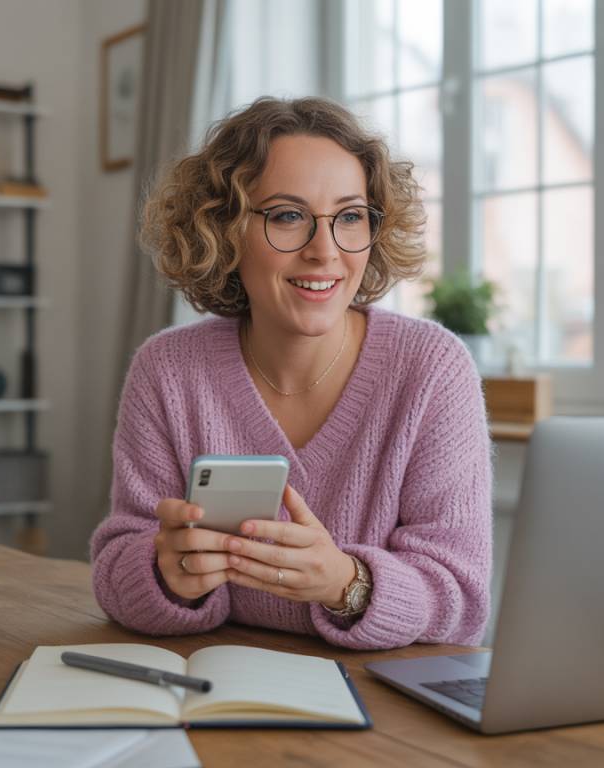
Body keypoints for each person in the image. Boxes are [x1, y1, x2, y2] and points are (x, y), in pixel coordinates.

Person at [90, 97, 492, 650]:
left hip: (377, 693)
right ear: (224, 230)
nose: (324, 251)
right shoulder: (169, 371)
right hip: (215, 678)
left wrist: (345, 583)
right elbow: (116, 568)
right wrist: (165, 575)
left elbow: (462, 601)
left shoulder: (431, 370)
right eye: (287, 216)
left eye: (349, 217)